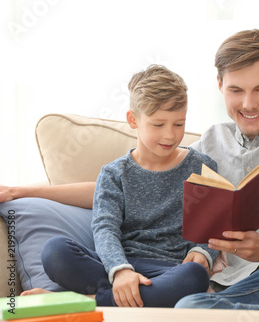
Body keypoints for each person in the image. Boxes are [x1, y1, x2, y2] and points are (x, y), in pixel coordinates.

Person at [0, 30, 259, 315]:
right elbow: (125, 185)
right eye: (236, 90)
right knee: (190, 310)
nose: (249, 104)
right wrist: (25, 189)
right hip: (248, 282)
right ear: (219, 84)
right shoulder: (208, 145)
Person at [22, 64, 220, 308]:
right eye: (158, 125)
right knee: (54, 251)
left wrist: (203, 253)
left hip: (171, 270)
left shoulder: (203, 167)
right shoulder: (114, 173)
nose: (170, 135)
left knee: (194, 276)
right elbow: (105, 228)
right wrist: (120, 271)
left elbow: (212, 228)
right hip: (115, 266)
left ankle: (86, 302)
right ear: (132, 120)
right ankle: (137, 297)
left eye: (179, 124)